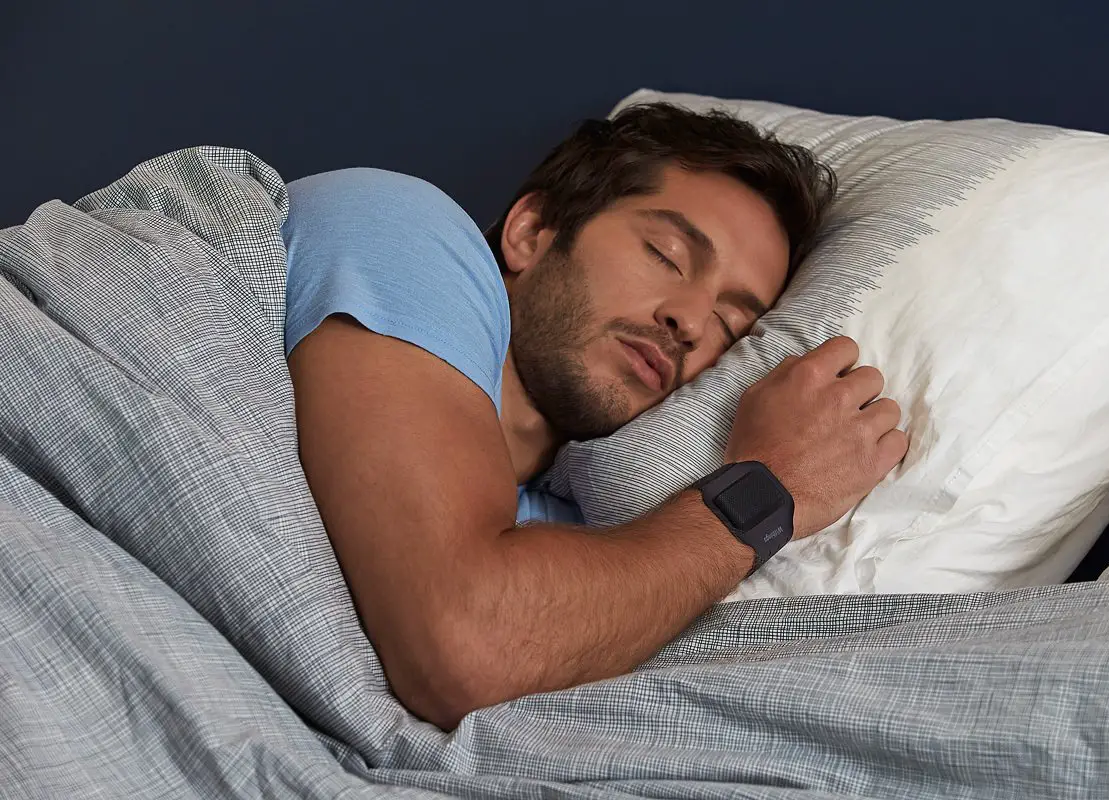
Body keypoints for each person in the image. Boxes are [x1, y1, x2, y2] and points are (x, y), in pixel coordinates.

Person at [282, 103, 908, 731]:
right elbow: (469, 644)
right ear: (532, 231)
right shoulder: (405, 231)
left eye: (730, 323)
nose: (691, 321)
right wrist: (764, 494)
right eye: (666, 255)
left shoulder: (588, 541)